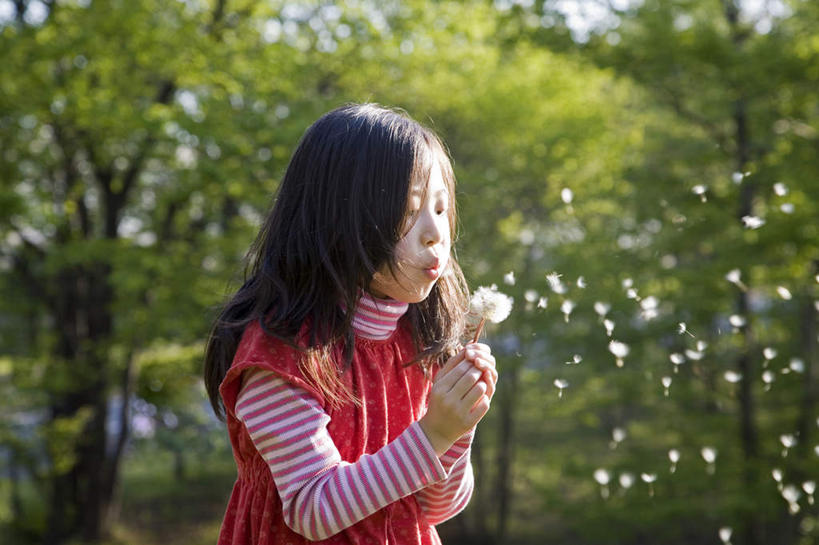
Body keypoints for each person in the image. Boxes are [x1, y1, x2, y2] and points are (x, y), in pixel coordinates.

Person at [203, 103, 497, 545]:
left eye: (440, 209)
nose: (435, 232)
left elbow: (437, 507)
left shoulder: (418, 339)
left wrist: (456, 428)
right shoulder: (283, 353)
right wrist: (433, 432)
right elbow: (313, 509)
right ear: (339, 219)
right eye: (410, 209)